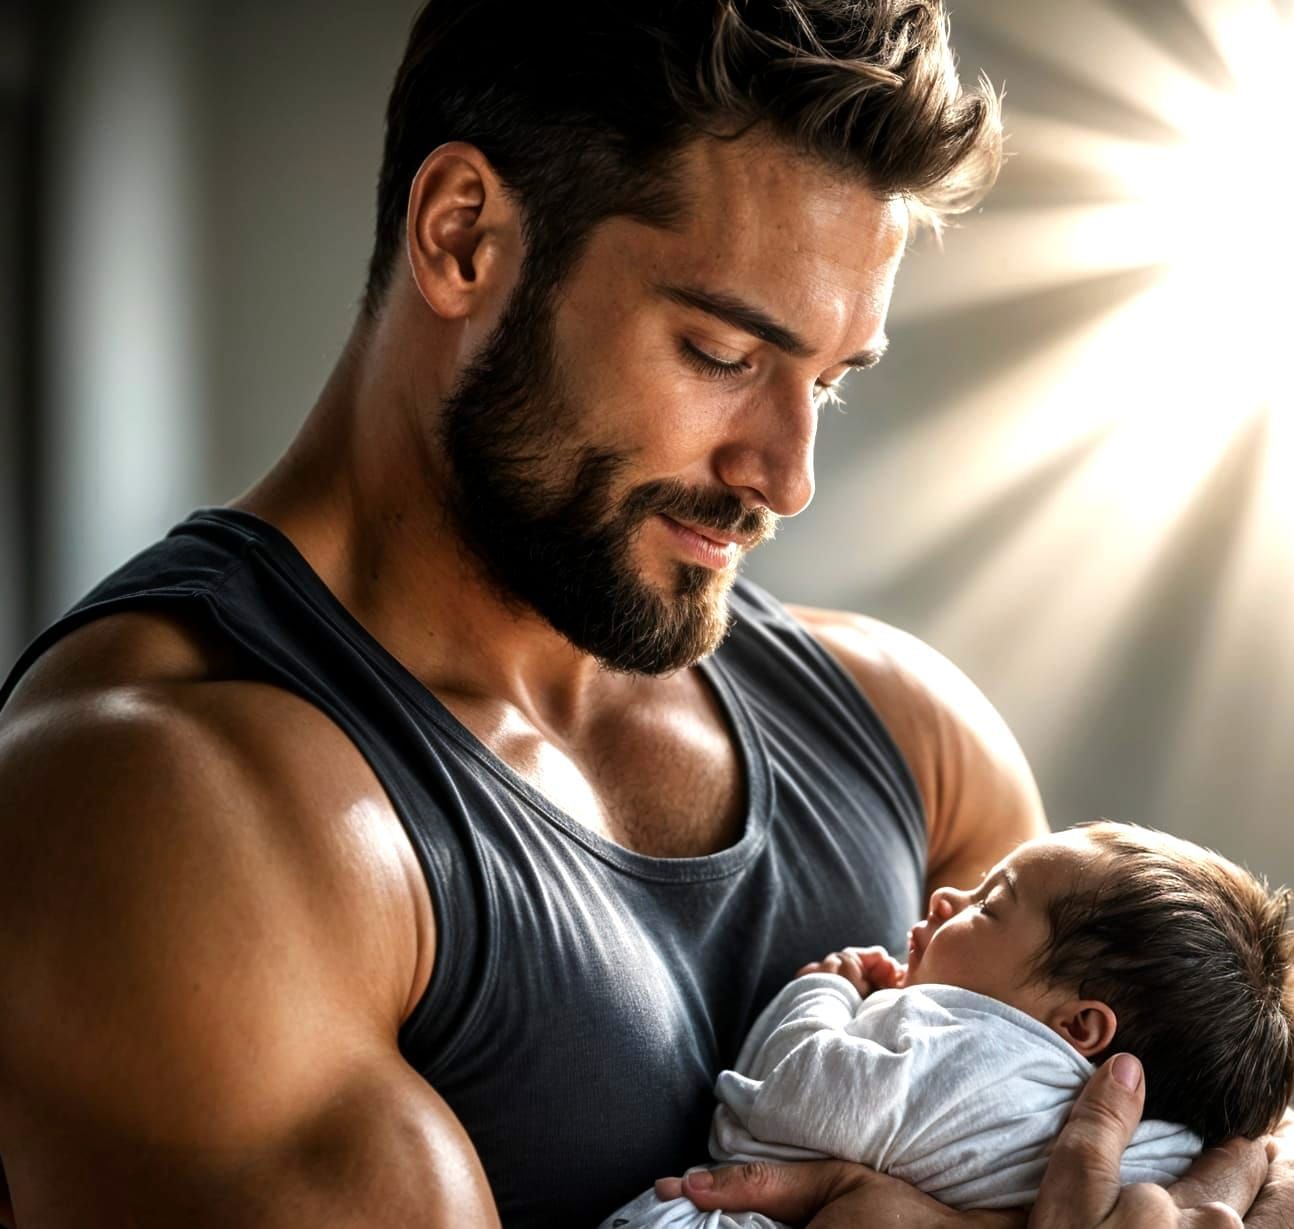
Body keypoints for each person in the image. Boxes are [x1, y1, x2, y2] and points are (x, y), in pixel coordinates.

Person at [0, 2, 1287, 1226]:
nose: (786, 474)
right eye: (723, 355)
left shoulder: (912, 737)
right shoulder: (166, 810)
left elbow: (1184, 1160)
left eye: (827, 383)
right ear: (462, 238)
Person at [605, 822, 1294, 1228]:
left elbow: (783, 1098)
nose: (946, 895)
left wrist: (824, 991)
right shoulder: (1178, 1148)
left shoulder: (962, 1042)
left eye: (989, 903)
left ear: (1079, 1025)